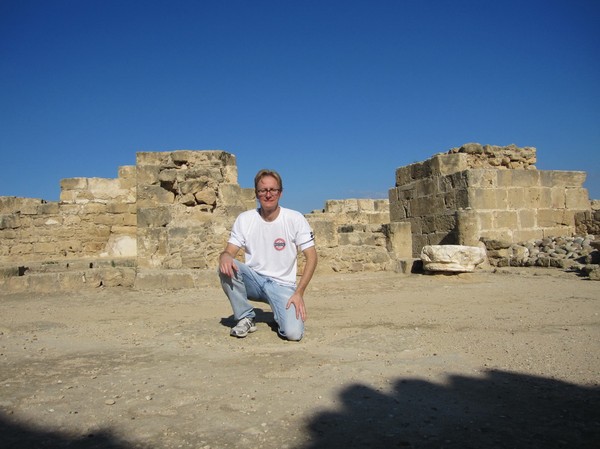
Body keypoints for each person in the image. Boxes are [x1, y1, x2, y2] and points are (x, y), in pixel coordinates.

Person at [218, 169, 318, 341]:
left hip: (283, 286)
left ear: (281, 192)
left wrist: (299, 292)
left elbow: (312, 256)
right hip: (255, 280)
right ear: (256, 194)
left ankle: (282, 315)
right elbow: (229, 252)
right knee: (225, 266)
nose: (268, 194)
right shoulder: (245, 219)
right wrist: (225, 256)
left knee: (293, 334)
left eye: (273, 190)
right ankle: (245, 317)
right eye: (263, 190)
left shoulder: (294, 218)